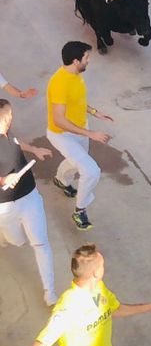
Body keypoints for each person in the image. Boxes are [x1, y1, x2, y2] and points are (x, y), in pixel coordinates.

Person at [46, 41, 113, 231]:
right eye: (86, 57)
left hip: (80, 128)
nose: (89, 60)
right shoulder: (59, 83)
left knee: (76, 161)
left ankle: (61, 180)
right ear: (76, 61)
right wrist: (91, 133)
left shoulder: (76, 76)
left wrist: (94, 112)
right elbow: (59, 120)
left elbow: (77, 101)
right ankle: (80, 210)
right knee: (91, 171)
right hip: (62, 135)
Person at [0, 99, 56, 306]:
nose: (10, 119)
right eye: (7, 116)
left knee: (40, 243)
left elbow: (15, 143)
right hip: (4, 207)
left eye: (10, 115)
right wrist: (4, 180)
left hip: (30, 196)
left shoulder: (8, 132)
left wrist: (34, 150)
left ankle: (49, 293)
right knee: (16, 240)